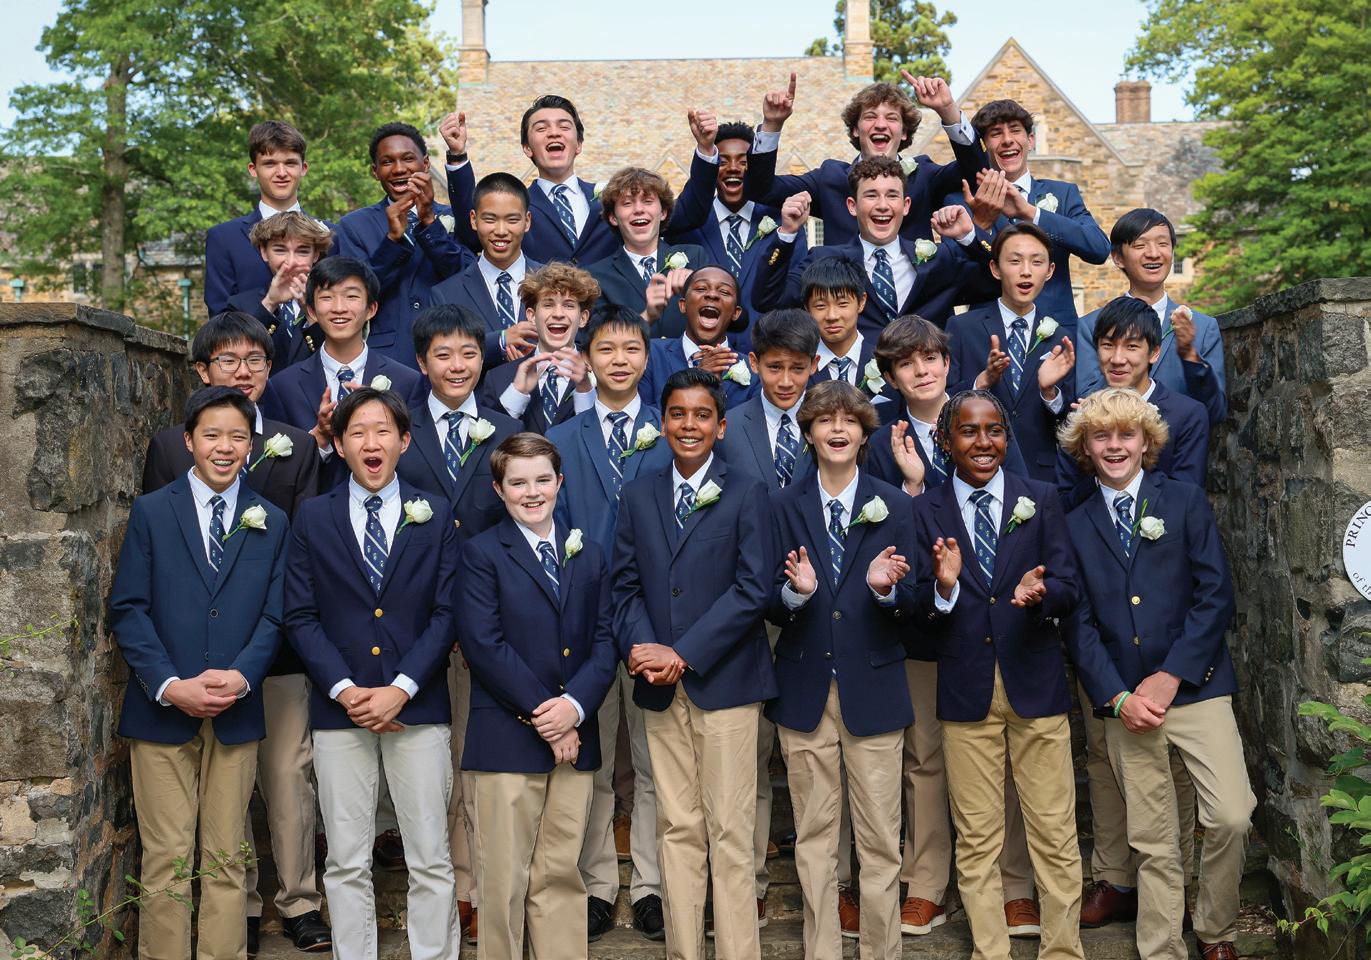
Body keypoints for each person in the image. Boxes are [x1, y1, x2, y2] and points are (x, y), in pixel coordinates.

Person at [140, 314, 327, 955]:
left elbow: (289, 580)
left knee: (259, 811)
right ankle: (202, 931)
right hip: (179, 678)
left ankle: (265, 924)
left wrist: (247, 668)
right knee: (190, 834)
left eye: (255, 360)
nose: (242, 371)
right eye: (227, 359)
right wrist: (175, 675)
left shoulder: (284, 476)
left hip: (261, 668)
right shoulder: (163, 474)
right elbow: (149, 583)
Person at [1059, 388, 1253, 960]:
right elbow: (1078, 625)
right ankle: (1161, 949)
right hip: (1126, 702)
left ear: (1147, 442)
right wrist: (1118, 697)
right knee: (1153, 839)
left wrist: (1171, 676)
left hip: (1196, 687)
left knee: (1232, 815)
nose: (1115, 445)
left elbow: (1215, 596)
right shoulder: (1073, 524)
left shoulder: (1185, 501)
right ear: (1085, 448)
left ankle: (1215, 930)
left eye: (1127, 434)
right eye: (1101, 436)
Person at [860, 315, 1037, 937]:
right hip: (922, 621)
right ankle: (928, 880)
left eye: (931, 358)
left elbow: (1020, 499)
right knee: (926, 755)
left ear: (946, 361)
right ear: (890, 375)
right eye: (906, 363)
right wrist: (911, 486)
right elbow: (876, 531)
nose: (922, 370)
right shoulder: (878, 437)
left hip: (993, 620)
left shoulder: (985, 416)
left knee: (1002, 750)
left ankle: (1015, 884)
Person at [111, 385, 287, 960]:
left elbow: (276, 615)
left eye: (238, 436)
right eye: (212, 435)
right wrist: (169, 684)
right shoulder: (152, 511)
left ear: (251, 445)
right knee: (166, 855)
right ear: (189, 440)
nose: (224, 447)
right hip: (162, 709)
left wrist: (242, 676)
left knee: (227, 856)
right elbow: (128, 608)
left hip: (237, 708)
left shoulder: (272, 520)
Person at [284, 387, 461, 960]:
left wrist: (401, 688)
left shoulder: (435, 513)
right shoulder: (313, 516)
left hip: (418, 706)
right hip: (341, 709)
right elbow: (300, 615)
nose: (371, 442)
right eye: (357, 432)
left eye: (383, 430)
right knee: (345, 859)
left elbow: (447, 613)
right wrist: (345, 690)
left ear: (404, 441)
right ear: (339, 445)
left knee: (430, 855)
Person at [910, 389, 1085, 960]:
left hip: (1035, 685)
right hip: (966, 692)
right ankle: (990, 951)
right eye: (968, 431)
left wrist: (1042, 596)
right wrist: (943, 588)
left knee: (1054, 832)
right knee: (978, 837)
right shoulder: (926, 510)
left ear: (1006, 437)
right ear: (946, 441)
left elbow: (1068, 586)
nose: (983, 442)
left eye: (994, 430)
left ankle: (1064, 951)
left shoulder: (1041, 498)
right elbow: (915, 607)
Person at [611, 368, 776, 960]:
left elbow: (754, 588)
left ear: (721, 426)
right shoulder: (638, 495)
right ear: (662, 423)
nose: (689, 425)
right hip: (659, 687)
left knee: (729, 832)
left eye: (702, 415)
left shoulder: (747, 492)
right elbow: (624, 586)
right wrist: (643, 650)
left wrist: (684, 653)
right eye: (678, 414)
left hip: (725, 682)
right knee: (677, 828)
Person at [767, 380, 917, 960]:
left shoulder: (895, 504)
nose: (837, 428)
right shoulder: (782, 506)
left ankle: (882, 951)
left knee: (880, 838)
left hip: (874, 687)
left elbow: (915, 603)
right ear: (808, 433)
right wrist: (795, 594)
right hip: (804, 688)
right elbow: (766, 599)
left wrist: (885, 591)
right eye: (825, 420)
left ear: (862, 434)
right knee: (814, 837)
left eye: (849, 420)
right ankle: (822, 950)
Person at [455, 432, 618, 960]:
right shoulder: (481, 554)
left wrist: (574, 709)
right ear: (499, 490)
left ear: (560, 482)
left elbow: (605, 642)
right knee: (502, 882)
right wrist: (548, 716)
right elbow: (484, 645)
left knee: (561, 876)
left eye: (543, 480)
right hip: (507, 740)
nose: (532, 492)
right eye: (519, 482)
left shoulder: (589, 554)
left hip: (575, 740)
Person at [395, 302, 523, 939]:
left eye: (469, 353)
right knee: (431, 764)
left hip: (486, 618)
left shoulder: (504, 430)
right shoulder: (398, 429)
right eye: (442, 354)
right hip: (412, 621)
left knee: (477, 755)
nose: (457, 365)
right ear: (422, 363)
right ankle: (441, 884)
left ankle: (477, 886)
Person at [547, 306, 673, 942]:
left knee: (654, 762)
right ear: (586, 358)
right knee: (590, 760)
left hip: (656, 621)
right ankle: (595, 883)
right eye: (606, 349)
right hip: (584, 621)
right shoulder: (561, 437)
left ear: (647, 358)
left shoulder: (670, 431)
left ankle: (651, 885)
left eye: (631, 349)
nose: (619, 360)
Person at [441, 97, 717, 267]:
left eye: (564, 126)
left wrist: (705, 150)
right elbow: (471, 232)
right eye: (541, 128)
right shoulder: (516, 207)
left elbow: (687, 213)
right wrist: (457, 156)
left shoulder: (611, 200)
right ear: (527, 148)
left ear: (579, 144)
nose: (553, 133)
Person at [743, 73, 987, 246]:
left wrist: (947, 110)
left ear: (904, 132)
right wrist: (772, 125)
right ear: (855, 130)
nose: (880, 124)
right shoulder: (829, 178)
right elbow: (762, 189)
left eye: (891, 118)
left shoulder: (924, 175)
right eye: (870, 117)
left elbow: (978, 172)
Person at [752, 157, 986, 334]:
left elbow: (995, 283)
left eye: (892, 195)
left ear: (906, 205)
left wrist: (968, 238)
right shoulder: (823, 259)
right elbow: (768, 300)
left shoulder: (940, 260)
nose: (882, 205)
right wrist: (787, 233)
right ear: (852, 206)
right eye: (871, 195)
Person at [257, 256, 427, 489]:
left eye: (351, 296)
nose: (339, 308)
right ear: (312, 310)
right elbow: (276, 474)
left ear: (371, 309)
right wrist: (319, 436)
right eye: (327, 297)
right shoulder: (284, 386)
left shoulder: (406, 381)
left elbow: (417, 464)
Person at [947, 222, 1076, 484]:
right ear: (995, 268)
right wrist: (981, 382)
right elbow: (943, 402)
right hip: (974, 467)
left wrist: (1049, 393)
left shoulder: (1061, 337)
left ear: (1050, 271)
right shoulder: (962, 327)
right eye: (1015, 261)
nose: (1026, 271)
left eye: (1037, 262)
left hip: (1040, 475)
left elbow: (1069, 420)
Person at [335, 122, 473, 368]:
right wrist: (392, 241)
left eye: (408, 159)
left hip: (450, 354)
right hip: (386, 359)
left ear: (426, 163)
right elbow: (354, 295)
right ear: (375, 171)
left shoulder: (455, 218)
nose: (399, 169)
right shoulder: (353, 225)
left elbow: (466, 277)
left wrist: (429, 222)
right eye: (387, 162)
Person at [958, 99, 1109, 323]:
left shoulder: (1063, 194)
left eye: (1015, 130)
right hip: (986, 330)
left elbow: (1099, 249)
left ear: (1030, 140)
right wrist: (981, 222)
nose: (1007, 140)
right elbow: (956, 274)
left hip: (1055, 330)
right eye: (996, 133)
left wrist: (1031, 213)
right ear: (984, 146)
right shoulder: (965, 200)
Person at [1075, 208, 1227, 426]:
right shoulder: (1090, 326)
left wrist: (1191, 357)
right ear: (1118, 258)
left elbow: (1216, 412)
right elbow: (1085, 402)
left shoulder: (1203, 328)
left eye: (1163, 244)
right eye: (1140, 245)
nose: (1154, 253)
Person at [1055, 296, 1209, 508]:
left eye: (1132, 346)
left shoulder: (1187, 415)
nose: (1117, 359)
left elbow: (1187, 499)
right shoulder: (1081, 414)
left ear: (1154, 352)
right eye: (1108, 345)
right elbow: (1064, 502)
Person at [666, 120, 807, 317]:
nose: (733, 168)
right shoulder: (687, 226)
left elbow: (795, 290)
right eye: (723, 162)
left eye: (743, 162)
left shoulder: (785, 225)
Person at [205, 121, 327, 315]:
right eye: (270, 164)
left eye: (290, 163)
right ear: (253, 169)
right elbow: (220, 319)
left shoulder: (329, 233)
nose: (281, 173)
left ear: (303, 168)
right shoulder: (224, 238)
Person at [429, 172, 543, 371]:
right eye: (490, 219)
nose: (501, 231)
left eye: (512, 220)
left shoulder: (554, 282)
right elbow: (441, 356)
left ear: (527, 221)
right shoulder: (446, 294)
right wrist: (501, 340)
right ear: (474, 220)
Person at [586, 166, 710, 340]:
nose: (638, 209)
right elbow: (598, 341)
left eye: (647, 201)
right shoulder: (595, 277)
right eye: (627, 203)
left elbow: (735, 318)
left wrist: (700, 286)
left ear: (663, 212)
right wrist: (647, 316)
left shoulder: (694, 257)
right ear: (613, 218)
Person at [480, 263, 599, 434]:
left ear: (583, 318)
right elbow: (489, 443)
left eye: (569, 305)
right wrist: (517, 393)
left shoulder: (604, 374)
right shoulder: (498, 377)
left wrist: (585, 389)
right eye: (548, 304)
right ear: (531, 316)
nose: (558, 314)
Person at [227, 211, 335, 376]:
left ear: (316, 255)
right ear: (264, 252)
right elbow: (233, 356)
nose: (291, 262)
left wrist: (311, 312)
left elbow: (341, 355)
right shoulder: (239, 304)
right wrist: (269, 303)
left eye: (302, 251)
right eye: (280, 250)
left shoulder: (336, 302)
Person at [639, 265, 756, 411]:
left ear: (736, 313)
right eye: (701, 289)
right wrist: (695, 379)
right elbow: (642, 416)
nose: (712, 295)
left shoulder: (753, 371)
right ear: (683, 305)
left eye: (724, 292)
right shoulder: (651, 354)